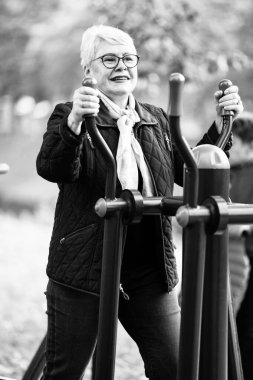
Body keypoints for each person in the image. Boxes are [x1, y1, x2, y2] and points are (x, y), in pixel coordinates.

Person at [36, 25, 243, 380]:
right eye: (110, 58)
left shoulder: (155, 118)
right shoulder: (71, 113)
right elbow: (54, 168)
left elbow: (187, 170)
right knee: (65, 372)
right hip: (86, 266)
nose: (122, 66)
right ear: (89, 70)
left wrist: (222, 125)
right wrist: (73, 123)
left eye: (128, 58)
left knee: (176, 367)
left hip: (147, 268)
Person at [229, 113, 253, 380]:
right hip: (230, 256)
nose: (226, 149)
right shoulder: (229, 172)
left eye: (232, 143)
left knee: (246, 328)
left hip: (249, 256)